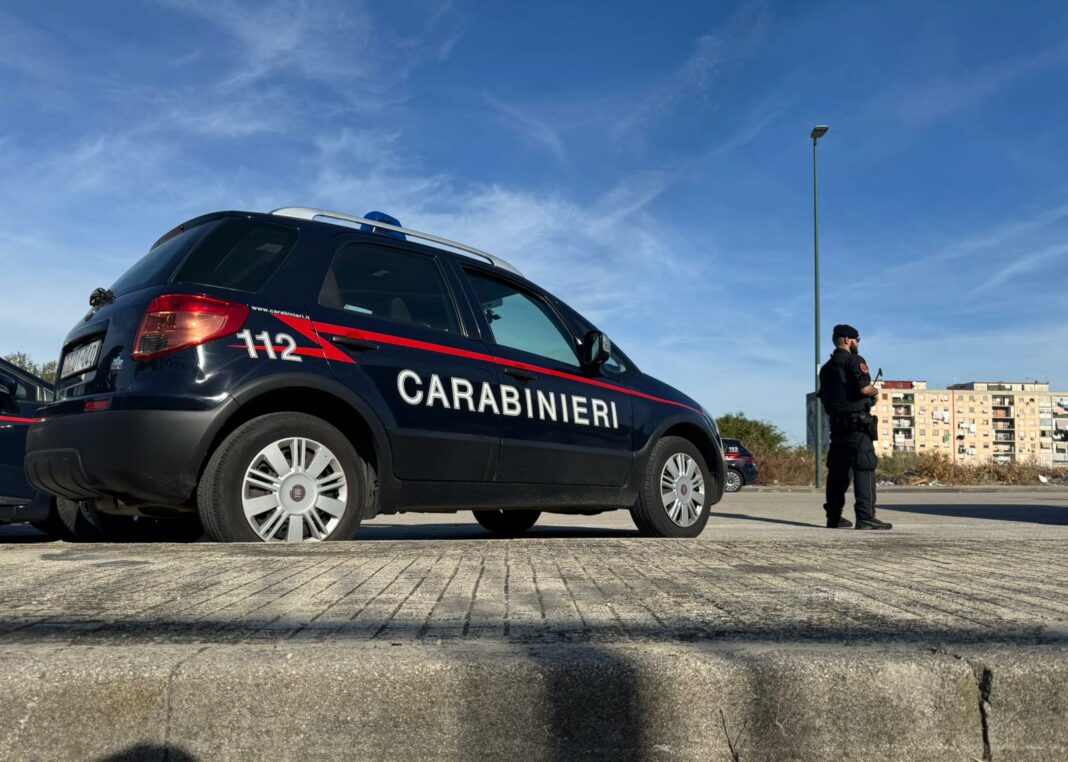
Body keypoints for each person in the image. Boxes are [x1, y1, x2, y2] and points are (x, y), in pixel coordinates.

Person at [817, 324, 892, 530]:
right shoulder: (855, 361)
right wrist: (875, 392)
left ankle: (833, 517)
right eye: (857, 340)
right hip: (857, 426)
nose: (858, 344)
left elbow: (823, 396)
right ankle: (865, 516)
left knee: (838, 473)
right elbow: (865, 388)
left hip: (836, 427)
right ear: (848, 340)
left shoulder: (826, 368)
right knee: (865, 467)